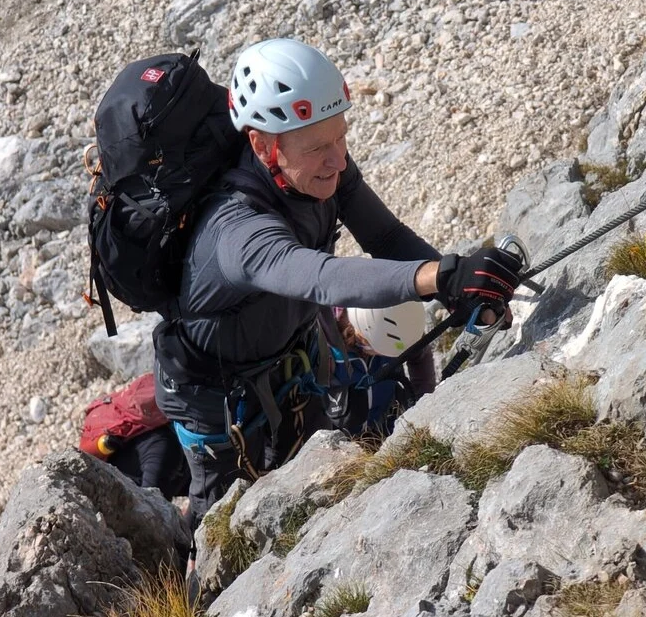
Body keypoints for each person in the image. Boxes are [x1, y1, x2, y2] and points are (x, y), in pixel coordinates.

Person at [151, 37, 524, 546]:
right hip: (216, 403)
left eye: (341, 138)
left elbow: (387, 238)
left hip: (291, 357)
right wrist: (440, 277)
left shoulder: (321, 170)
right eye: (318, 147)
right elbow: (321, 276)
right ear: (264, 146)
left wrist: (455, 285)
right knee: (226, 535)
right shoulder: (234, 230)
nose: (337, 159)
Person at [328, 303, 437, 437]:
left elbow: (420, 354)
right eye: (383, 350)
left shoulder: (400, 322)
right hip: (334, 441)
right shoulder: (324, 342)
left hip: (385, 427)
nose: (387, 354)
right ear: (361, 336)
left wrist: (422, 404)